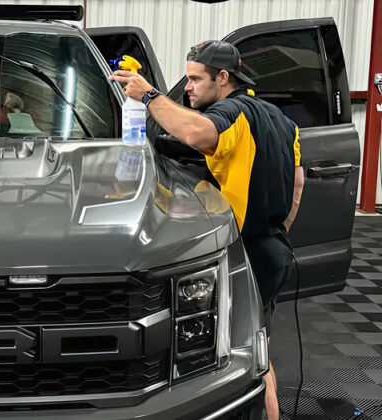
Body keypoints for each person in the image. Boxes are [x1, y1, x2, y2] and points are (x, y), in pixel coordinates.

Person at [110, 40, 305, 420]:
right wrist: (279, 231)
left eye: (197, 80)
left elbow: (197, 134)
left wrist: (148, 94)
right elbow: (297, 185)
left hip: (241, 253)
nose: (188, 87)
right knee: (259, 343)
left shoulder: (232, 112)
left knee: (241, 361)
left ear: (223, 77)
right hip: (273, 248)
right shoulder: (283, 121)